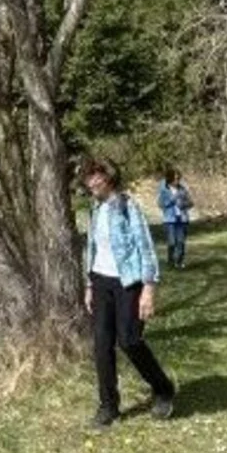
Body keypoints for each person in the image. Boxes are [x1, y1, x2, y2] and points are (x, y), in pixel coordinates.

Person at [81, 158, 177, 430]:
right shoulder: (95, 209)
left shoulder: (127, 206)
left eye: (95, 177)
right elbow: (93, 248)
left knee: (130, 340)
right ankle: (108, 406)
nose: (90, 183)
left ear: (108, 177)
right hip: (100, 282)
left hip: (128, 283)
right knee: (102, 345)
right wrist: (89, 284)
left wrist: (148, 288)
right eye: (88, 178)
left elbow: (145, 247)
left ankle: (163, 388)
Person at [157, 166, 194, 269]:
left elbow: (191, 203)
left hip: (182, 219)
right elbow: (160, 204)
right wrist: (172, 200)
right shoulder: (164, 190)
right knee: (172, 242)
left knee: (181, 242)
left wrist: (184, 204)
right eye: (175, 178)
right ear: (170, 179)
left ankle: (179, 262)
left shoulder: (183, 189)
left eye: (178, 178)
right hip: (170, 220)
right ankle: (170, 262)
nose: (177, 180)